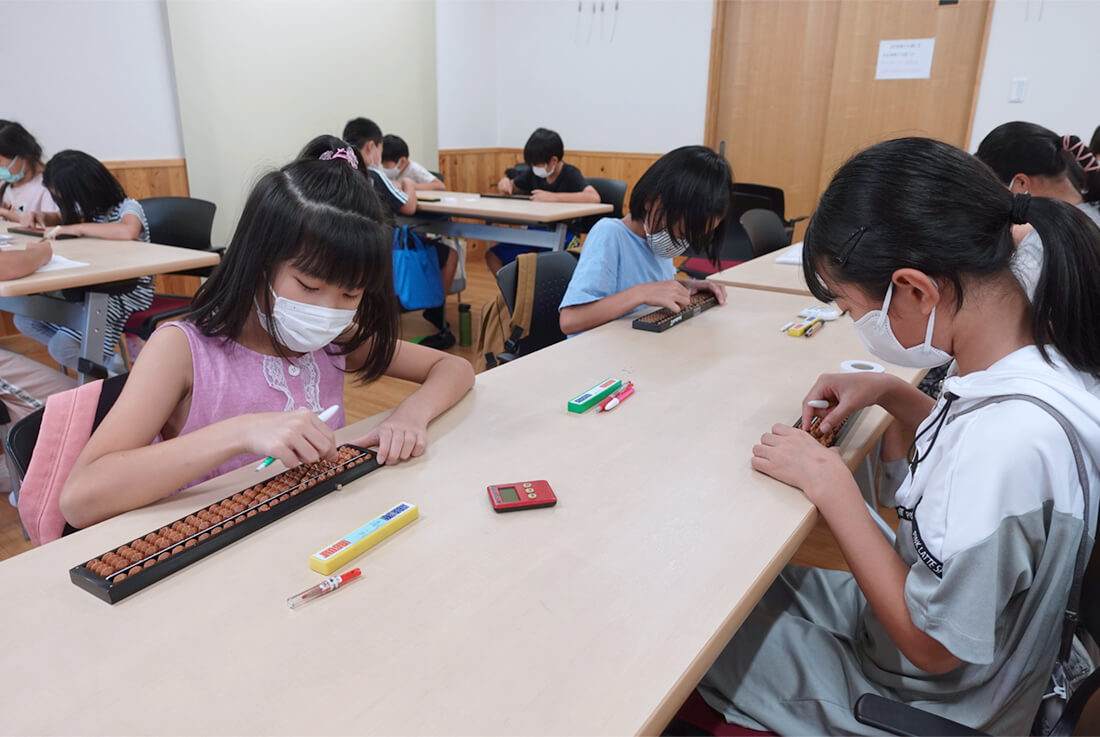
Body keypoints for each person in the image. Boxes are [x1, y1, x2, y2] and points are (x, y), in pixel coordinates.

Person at [698, 137, 1100, 735]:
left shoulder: (1006, 442)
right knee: (730, 577)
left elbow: (936, 649)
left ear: (914, 290)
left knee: (696, 634)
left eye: (846, 303)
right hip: (951, 641)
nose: (853, 319)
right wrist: (892, 392)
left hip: (935, 699)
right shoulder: (1035, 341)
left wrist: (833, 486)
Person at [59, 154, 475, 530]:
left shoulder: (332, 338)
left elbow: (453, 367)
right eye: (309, 286)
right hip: (212, 550)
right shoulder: (182, 351)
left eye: (351, 295)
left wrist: (411, 415)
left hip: (313, 532)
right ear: (260, 262)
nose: (329, 310)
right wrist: (242, 431)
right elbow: (81, 498)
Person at [558, 146, 731, 335]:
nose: (683, 243)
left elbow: (653, 284)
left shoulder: (657, 238)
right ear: (651, 201)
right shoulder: (610, 234)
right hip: (599, 352)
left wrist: (687, 286)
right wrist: (641, 294)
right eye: (682, 234)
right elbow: (570, 320)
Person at [16, 150, 153, 374]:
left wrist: (75, 228)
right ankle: (104, 359)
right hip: (92, 287)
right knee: (26, 319)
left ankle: (116, 380)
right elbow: (62, 218)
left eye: (63, 197)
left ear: (85, 190)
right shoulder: (89, 210)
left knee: (62, 347)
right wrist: (42, 216)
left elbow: (128, 230)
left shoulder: (127, 207)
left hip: (125, 291)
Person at [488, 127, 600, 273]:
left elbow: (594, 197)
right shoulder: (533, 174)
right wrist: (505, 183)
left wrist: (553, 197)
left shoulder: (570, 174)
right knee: (493, 256)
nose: (534, 168)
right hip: (535, 231)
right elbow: (513, 186)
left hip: (565, 233)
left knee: (548, 268)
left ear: (554, 160)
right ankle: (513, 295)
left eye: (537, 164)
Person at [341, 117, 417, 217]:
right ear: (371, 147)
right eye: (380, 150)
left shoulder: (340, 169)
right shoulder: (373, 175)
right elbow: (409, 208)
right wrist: (409, 183)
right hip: (369, 231)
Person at [0, 122, 58, 222]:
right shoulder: (4, 186)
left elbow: (47, 225)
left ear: (22, 156)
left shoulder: (45, 188)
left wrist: (5, 213)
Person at [381, 134, 445, 191]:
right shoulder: (390, 173)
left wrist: (410, 186)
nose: (384, 168)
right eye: (382, 164)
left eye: (386, 164)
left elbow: (440, 186)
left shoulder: (414, 169)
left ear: (402, 161)